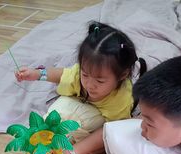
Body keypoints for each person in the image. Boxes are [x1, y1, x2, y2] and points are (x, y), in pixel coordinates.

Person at [15, 21, 146, 146]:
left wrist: (81, 150)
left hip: (99, 118)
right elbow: (62, 74)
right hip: (78, 107)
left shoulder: (120, 101)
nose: (89, 84)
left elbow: (112, 131)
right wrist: (36, 74)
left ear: (122, 75)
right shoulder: (80, 74)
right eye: (85, 74)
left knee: (80, 125)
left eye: (100, 80)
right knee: (56, 114)